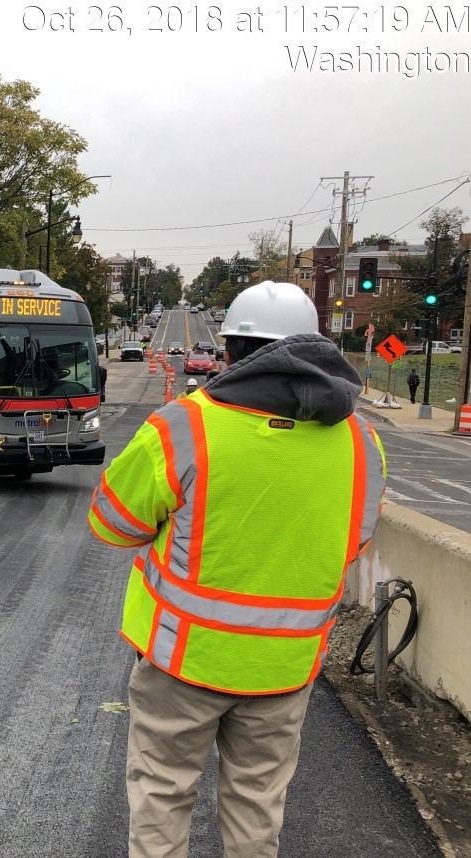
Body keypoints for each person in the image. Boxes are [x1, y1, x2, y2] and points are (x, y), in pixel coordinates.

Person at [88, 281, 386, 858]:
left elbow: (110, 524)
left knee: (162, 799)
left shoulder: (185, 426)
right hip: (284, 668)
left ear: (228, 350)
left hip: (182, 662)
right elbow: (352, 544)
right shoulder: (362, 444)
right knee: (257, 811)